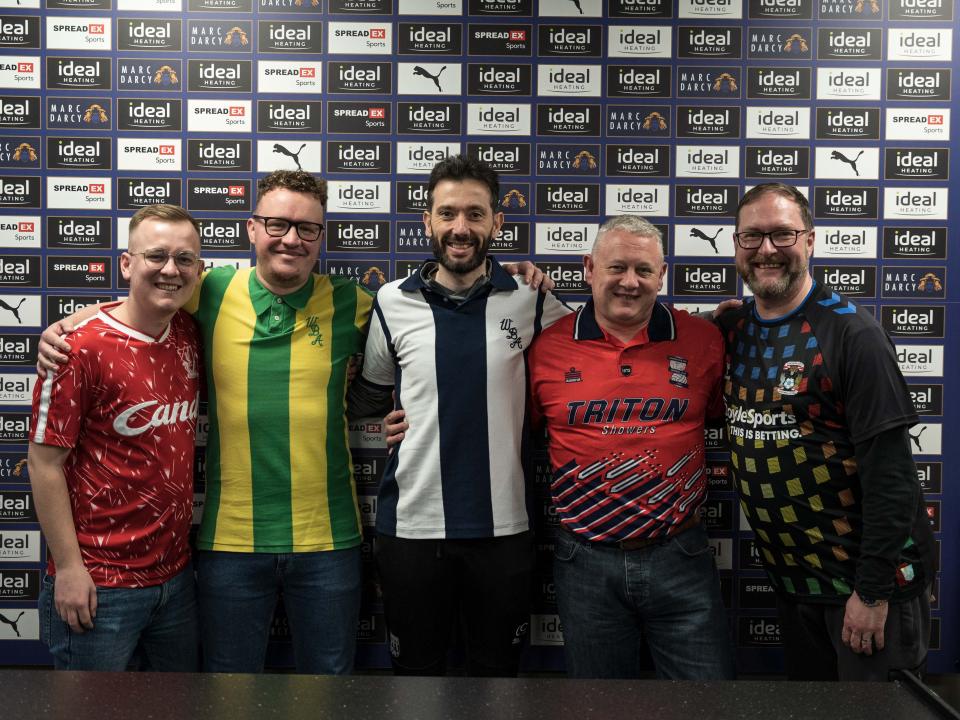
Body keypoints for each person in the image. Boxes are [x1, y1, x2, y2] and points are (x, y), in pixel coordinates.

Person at [37, 170, 549, 675]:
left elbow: (414, 358)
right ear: (252, 229)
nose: (291, 239)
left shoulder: (358, 301)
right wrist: (64, 328)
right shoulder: (207, 289)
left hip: (329, 542)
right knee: (227, 695)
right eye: (277, 224)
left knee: (328, 691)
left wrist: (524, 280)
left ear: (321, 237)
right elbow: (142, 301)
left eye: (307, 229)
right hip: (229, 544)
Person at [349, 154, 569, 676]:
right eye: (447, 213)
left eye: (475, 214)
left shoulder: (532, 302)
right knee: (416, 686)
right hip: (411, 532)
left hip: (504, 531)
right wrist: (384, 422)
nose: (460, 228)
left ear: (498, 222)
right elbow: (370, 397)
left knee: (498, 685)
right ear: (427, 221)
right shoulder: (390, 301)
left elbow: (594, 357)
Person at [719, 182, 935, 680]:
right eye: (751, 237)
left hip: (865, 591)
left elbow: (893, 476)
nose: (766, 249)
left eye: (782, 234)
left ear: (810, 241)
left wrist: (873, 592)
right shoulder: (733, 331)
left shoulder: (851, 333)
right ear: (735, 245)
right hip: (797, 587)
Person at [526, 215, 735, 679]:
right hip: (584, 559)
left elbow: (737, 413)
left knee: (706, 706)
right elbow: (505, 428)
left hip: (680, 552)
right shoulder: (546, 347)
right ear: (588, 268)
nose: (629, 282)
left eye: (643, 270)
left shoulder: (704, 340)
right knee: (599, 707)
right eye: (616, 267)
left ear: (662, 275)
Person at [29, 204, 204, 671]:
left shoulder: (187, 330)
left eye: (185, 259)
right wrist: (67, 568)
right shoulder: (76, 348)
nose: (171, 269)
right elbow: (44, 464)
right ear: (126, 263)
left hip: (176, 578)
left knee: (176, 708)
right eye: (156, 256)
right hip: (99, 584)